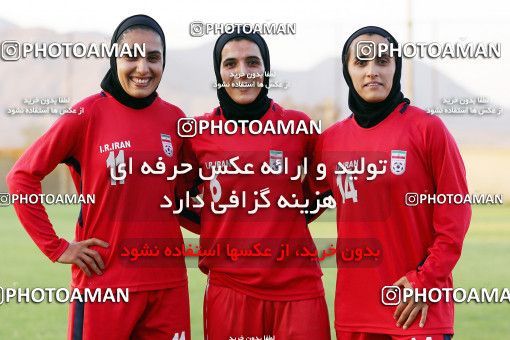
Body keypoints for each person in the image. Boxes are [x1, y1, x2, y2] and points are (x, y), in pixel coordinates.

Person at [7, 14, 190, 340]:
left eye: (153, 57)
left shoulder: (176, 120)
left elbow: (190, 198)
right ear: (113, 58)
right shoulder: (85, 115)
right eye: (131, 56)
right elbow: (21, 177)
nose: (142, 68)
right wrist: (57, 248)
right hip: (104, 285)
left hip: (168, 287)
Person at [305, 26, 471, 340]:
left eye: (383, 61)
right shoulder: (329, 142)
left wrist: (425, 280)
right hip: (354, 316)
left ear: (396, 67)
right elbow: (294, 204)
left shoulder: (427, 130)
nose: (372, 72)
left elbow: (455, 218)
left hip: (417, 310)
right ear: (347, 71)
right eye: (361, 63)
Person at [179, 31, 331, 339]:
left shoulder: (297, 126)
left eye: (252, 62)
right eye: (230, 64)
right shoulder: (197, 132)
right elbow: (176, 196)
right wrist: (217, 225)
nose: (242, 73)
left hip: (298, 288)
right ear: (218, 73)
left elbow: (325, 184)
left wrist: (286, 218)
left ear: (266, 70)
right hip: (230, 289)